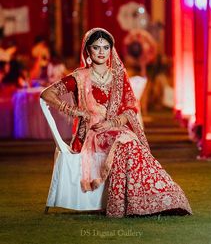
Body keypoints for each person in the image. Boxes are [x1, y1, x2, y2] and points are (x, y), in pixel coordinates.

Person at [40, 28, 192, 218]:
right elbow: (46, 94)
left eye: (106, 47)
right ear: (88, 50)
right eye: (96, 47)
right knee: (127, 143)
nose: (102, 52)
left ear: (111, 50)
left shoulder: (118, 77)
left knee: (132, 144)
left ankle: (156, 197)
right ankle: (128, 203)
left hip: (114, 129)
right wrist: (75, 111)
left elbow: (130, 109)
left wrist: (113, 123)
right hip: (90, 133)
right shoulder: (79, 77)